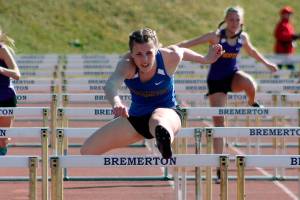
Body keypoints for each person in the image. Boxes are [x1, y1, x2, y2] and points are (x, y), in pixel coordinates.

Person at [81, 27, 223, 159]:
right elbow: (110, 85)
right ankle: (159, 134)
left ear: (156, 50)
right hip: (137, 118)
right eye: (139, 54)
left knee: (158, 120)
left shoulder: (169, 57)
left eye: (149, 53)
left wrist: (206, 59)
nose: (144, 60)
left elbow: (182, 51)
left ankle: (164, 142)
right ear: (131, 54)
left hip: (168, 113)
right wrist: (116, 103)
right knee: (87, 151)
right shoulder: (126, 64)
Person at [176, 6, 278, 182]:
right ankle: (220, 166)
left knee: (250, 84)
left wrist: (268, 64)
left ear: (241, 22)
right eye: (231, 19)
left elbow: (253, 52)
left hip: (233, 77)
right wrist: (167, 49)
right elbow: (188, 43)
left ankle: (251, 104)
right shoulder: (215, 36)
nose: (234, 23)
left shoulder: (243, 37)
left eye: (237, 20)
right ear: (225, 20)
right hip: (216, 82)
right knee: (220, 124)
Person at [0, 27, 20, 155]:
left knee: (2, 140)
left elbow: (17, 74)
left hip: (5, 97)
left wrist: (0, 70)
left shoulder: (2, 50)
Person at [274, 6, 299, 70]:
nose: (289, 15)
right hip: (282, 51)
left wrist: (295, 37)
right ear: (283, 15)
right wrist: (293, 36)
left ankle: (275, 78)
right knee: (285, 68)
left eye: (290, 14)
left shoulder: (288, 25)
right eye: (287, 14)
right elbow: (280, 36)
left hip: (287, 51)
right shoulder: (281, 25)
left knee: (281, 68)